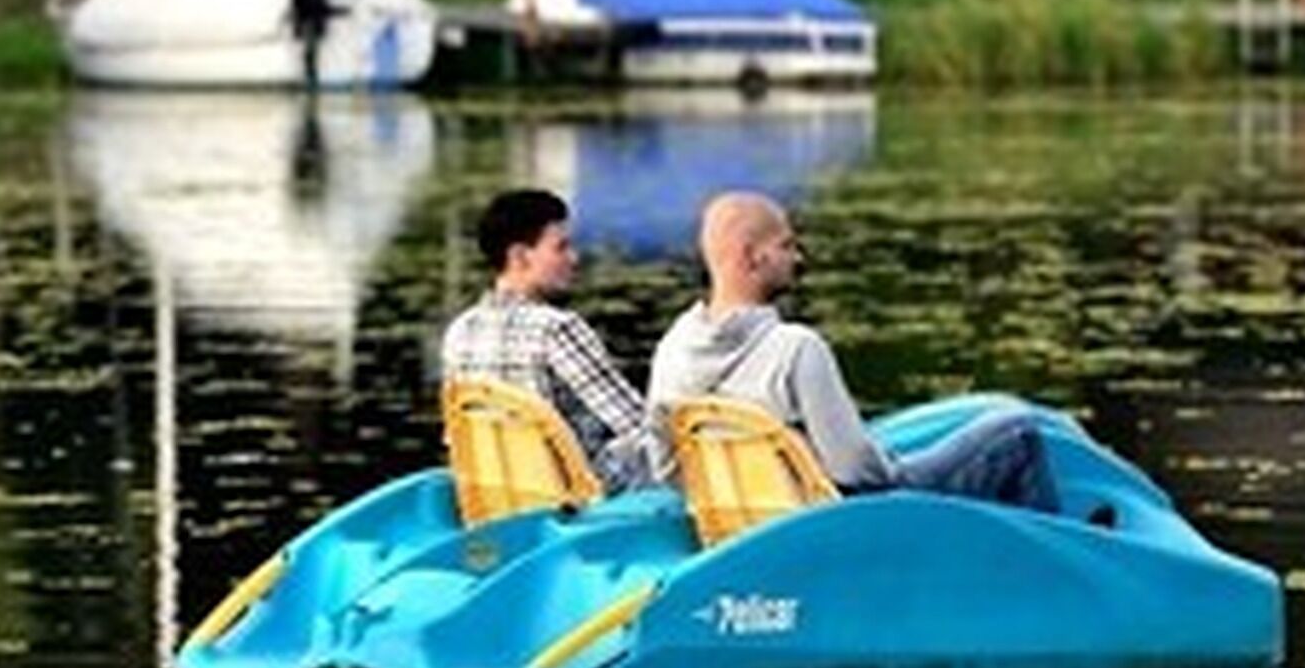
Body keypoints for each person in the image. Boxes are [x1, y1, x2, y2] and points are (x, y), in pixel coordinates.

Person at [646, 190, 1064, 514]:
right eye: (787, 245)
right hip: (841, 519)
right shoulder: (795, 350)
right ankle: (1062, 571)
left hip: (748, 522)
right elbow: (856, 473)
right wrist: (889, 465)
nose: (798, 257)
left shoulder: (673, 350)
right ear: (752, 257)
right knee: (1016, 432)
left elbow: (664, 466)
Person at [443, 188, 659, 489]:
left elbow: (457, 437)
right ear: (519, 256)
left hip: (500, 490)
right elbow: (634, 423)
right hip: (574, 494)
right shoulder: (556, 328)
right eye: (561, 248)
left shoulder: (460, 331)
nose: (574, 258)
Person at [282, 0, 336, 84]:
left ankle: (310, 75)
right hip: (306, 17)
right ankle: (309, 75)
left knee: (310, 47)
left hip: (311, 17)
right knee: (308, 48)